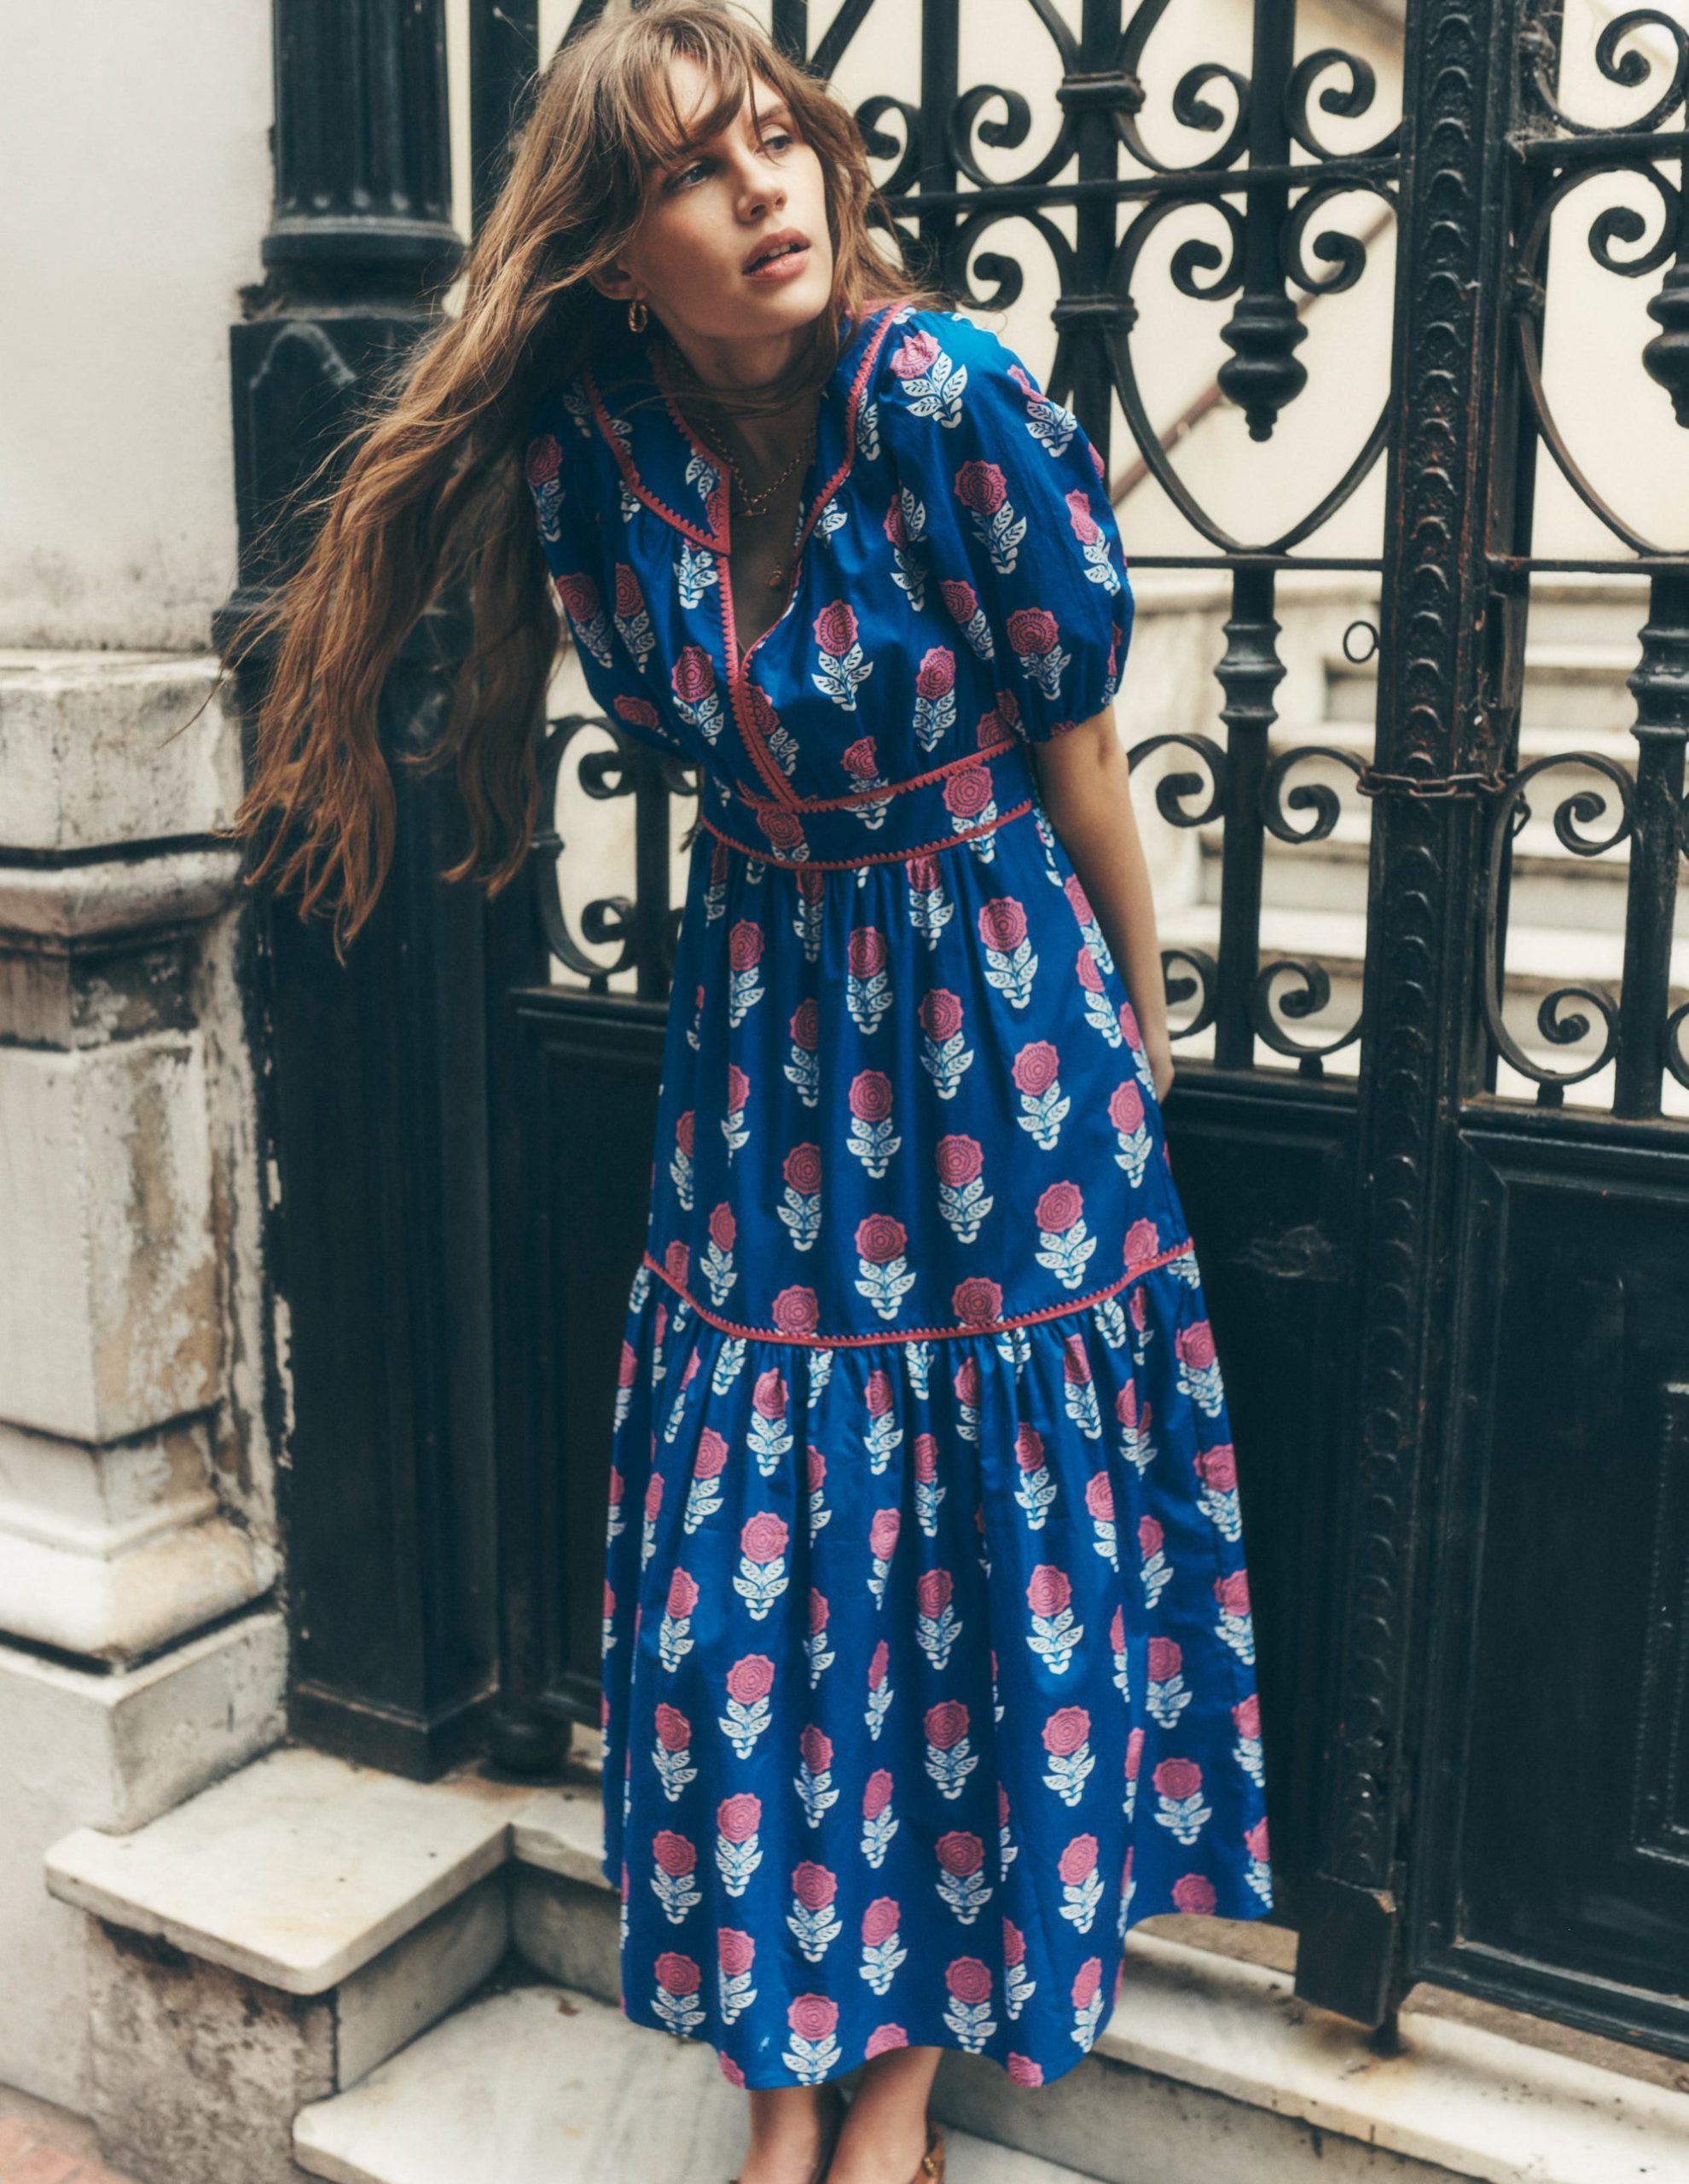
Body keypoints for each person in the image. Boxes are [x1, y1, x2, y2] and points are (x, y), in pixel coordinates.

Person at [229, 6, 1273, 2181]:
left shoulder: (949, 399)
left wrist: (1136, 1019)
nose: (765, 189)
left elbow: (1080, 748)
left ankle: (881, 2098)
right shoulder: (597, 456)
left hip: (995, 1025)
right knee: (763, 1561)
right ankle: (791, 2073)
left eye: (776, 137)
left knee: (966, 1553)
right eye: (695, 172)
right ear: (617, 256)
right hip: (772, 1032)